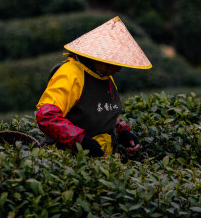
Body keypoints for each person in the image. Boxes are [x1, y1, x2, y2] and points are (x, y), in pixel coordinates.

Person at [36, 16, 150, 158]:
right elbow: (46, 116)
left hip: (104, 161)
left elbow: (102, 112)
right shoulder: (70, 74)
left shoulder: (104, 75)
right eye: (116, 63)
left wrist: (123, 132)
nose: (119, 69)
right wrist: (81, 141)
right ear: (100, 59)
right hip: (72, 161)